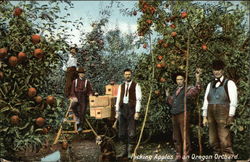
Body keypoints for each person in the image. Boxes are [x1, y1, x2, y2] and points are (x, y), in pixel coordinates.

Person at [202, 60, 237, 160]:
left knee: (224, 140)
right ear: (212, 71)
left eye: (219, 70)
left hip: (223, 116)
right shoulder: (210, 84)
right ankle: (217, 158)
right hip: (210, 115)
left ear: (222, 70)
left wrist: (231, 115)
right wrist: (204, 116)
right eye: (214, 70)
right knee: (212, 140)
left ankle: (228, 158)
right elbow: (206, 101)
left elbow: (233, 101)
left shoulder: (229, 83)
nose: (216, 72)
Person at [166, 68, 202, 161]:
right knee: (176, 135)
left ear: (184, 80)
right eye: (177, 80)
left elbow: (197, 90)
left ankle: (186, 154)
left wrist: (198, 79)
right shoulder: (175, 90)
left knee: (184, 134)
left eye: (181, 79)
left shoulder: (188, 89)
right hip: (174, 115)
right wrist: (167, 96)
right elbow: (171, 102)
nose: (179, 81)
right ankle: (178, 153)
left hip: (183, 114)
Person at [115, 68, 142, 159]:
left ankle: (131, 152)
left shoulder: (136, 85)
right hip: (122, 110)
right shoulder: (121, 86)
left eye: (129, 74)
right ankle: (124, 152)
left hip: (131, 110)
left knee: (131, 132)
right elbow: (118, 99)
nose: (127, 76)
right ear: (124, 75)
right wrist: (117, 111)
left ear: (131, 75)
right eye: (126, 74)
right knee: (121, 132)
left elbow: (138, 99)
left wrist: (137, 112)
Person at [70, 67, 93, 131]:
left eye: (83, 73)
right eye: (80, 73)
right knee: (73, 106)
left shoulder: (86, 82)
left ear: (84, 74)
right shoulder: (75, 81)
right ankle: (77, 117)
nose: (82, 74)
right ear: (78, 74)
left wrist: (90, 94)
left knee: (82, 112)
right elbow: (72, 91)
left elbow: (90, 90)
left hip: (83, 98)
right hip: (77, 97)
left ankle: (81, 126)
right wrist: (74, 97)